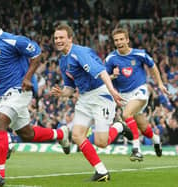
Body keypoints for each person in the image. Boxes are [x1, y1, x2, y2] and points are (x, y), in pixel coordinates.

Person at [0, 9, 70, 186]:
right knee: (26, 134)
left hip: (19, 89)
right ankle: (61, 134)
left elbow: (36, 55)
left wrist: (28, 78)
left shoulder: (13, 40)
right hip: (1, 94)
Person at [51, 24, 133, 182]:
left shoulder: (79, 53)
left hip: (100, 96)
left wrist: (113, 91)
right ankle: (101, 172)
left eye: (61, 37)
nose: (58, 40)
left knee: (102, 143)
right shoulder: (63, 61)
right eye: (56, 38)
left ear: (70, 38)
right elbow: (70, 88)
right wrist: (62, 93)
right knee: (77, 135)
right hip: (84, 98)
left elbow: (101, 72)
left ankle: (119, 126)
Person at [105, 28, 167, 161]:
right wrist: (113, 76)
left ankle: (136, 149)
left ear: (127, 40)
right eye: (116, 40)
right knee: (144, 127)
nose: (119, 42)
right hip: (124, 96)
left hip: (140, 90)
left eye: (122, 39)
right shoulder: (110, 59)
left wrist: (160, 83)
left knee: (126, 115)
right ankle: (156, 140)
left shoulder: (139, 54)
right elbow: (104, 78)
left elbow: (153, 66)